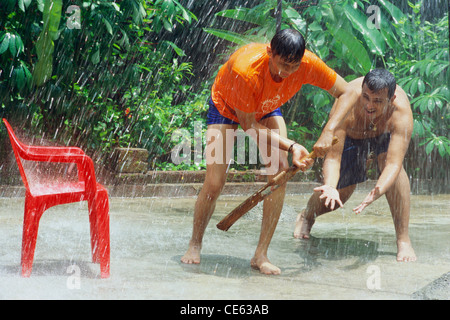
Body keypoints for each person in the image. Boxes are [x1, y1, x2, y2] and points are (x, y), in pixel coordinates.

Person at [181, 29, 355, 275]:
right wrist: (292, 145)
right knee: (215, 181)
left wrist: (329, 130)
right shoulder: (246, 70)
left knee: (280, 171)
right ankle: (195, 243)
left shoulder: (307, 63)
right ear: (270, 52)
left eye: (293, 67)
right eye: (282, 65)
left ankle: (261, 254)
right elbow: (249, 125)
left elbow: (349, 91)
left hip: (266, 107)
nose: (286, 73)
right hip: (227, 106)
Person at [294, 68, 417, 262]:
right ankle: (306, 216)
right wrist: (330, 186)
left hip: (383, 134)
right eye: (366, 97)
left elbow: (394, 163)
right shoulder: (346, 106)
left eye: (377, 101)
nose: (369, 106)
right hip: (352, 135)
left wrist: (377, 190)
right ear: (361, 90)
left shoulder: (400, 111)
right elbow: (333, 158)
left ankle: (403, 240)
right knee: (341, 194)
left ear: (391, 99)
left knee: (395, 173)